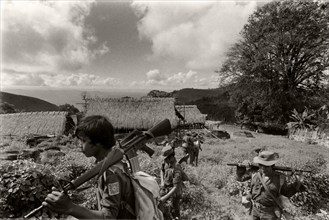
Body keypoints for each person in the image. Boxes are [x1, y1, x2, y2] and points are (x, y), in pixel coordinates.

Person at [42, 115, 136, 219]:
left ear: (98, 143)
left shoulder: (111, 172)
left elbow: (108, 217)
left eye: (83, 141)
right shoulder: (106, 165)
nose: (79, 145)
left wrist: (70, 207)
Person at [236, 151, 305, 220]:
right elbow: (240, 178)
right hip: (255, 211)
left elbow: (287, 193)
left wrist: (298, 181)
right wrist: (241, 168)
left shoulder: (280, 177)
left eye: (266, 166)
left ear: (272, 165)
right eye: (261, 165)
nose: (263, 168)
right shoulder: (254, 173)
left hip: (270, 213)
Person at [160, 145, 184, 220]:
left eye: (166, 159)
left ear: (171, 157)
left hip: (175, 192)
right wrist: (162, 182)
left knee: (174, 209)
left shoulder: (176, 168)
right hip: (166, 187)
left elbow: (175, 188)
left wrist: (164, 198)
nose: (164, 161)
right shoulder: (166, 162)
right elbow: (161, 170)